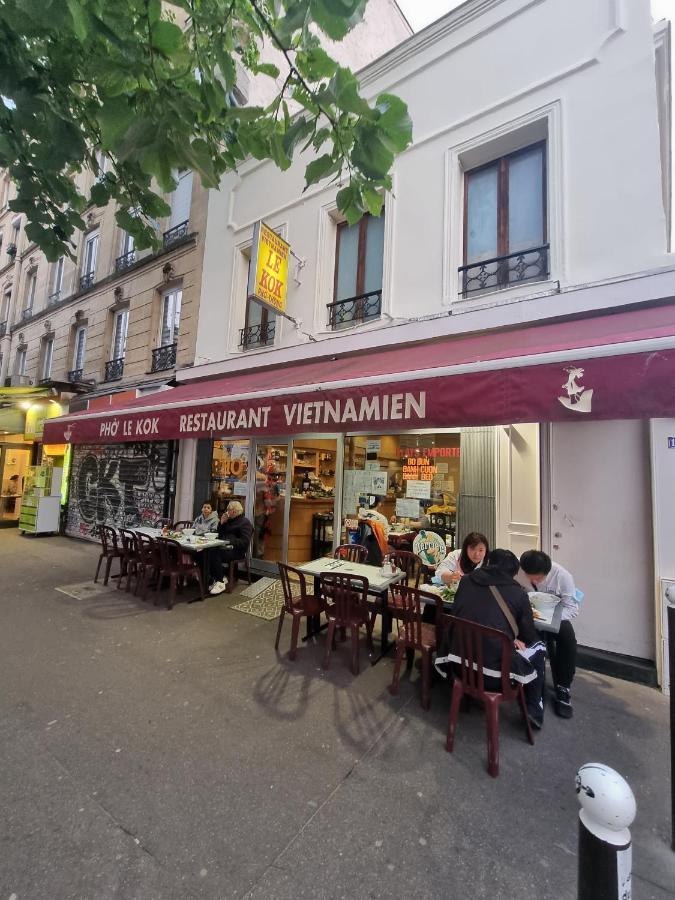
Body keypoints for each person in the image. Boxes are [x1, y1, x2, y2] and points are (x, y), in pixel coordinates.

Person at [444, 548, 546, 729]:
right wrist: (512, 637)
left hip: (458, 665)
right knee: (539, 646)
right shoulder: (519, 594)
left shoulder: (466, 581)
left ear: (487, 563)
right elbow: (528, 635)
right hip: (495, 678)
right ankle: (533, 709)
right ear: (514, 573)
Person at [519, 550, 578, 719]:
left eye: (537, 578)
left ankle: (563, 687)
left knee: (567, 639)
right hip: (529, 614)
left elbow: (572, 609)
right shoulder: (520, 567)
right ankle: (530, 681)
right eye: (529, 577)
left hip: (555, 615)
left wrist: (549, 618)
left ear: (547, 572)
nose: (533, 581)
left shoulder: (562, 577)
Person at [208, 501, 253, 595]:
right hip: (224, 547)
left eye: (228, 509)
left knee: (214, 553)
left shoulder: (245, 523)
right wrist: (222, 523)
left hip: (236, 551)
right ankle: (217, 577)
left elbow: (244, 542)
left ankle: (220, 582)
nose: (226, 512)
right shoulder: (228, 520)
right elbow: (219, 535)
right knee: (206, 551)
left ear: (234, 511)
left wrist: (228, 541)